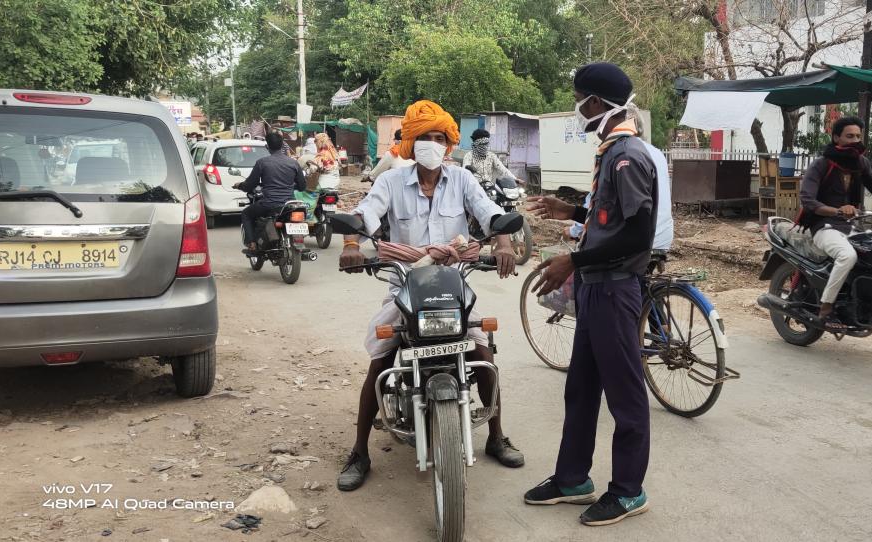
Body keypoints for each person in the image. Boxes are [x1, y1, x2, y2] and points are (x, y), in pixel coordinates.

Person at [336, 99, 524, 492]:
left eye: (439, 138)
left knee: (483, 353)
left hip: (453, 283)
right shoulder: (391, 182)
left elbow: (490, 212)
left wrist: (504, 242)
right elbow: (366, 213)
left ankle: (496, 436)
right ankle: (359, 451)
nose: (433, 144)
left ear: (449, 144)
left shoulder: (462, 179)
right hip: (405, 283)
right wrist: (352, 243)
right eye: (425, 137)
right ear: (411, 142)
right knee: (380, 359)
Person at [523, 62, 653, 527]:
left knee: (625, 397)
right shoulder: (612, 150)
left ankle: (628, 490)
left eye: (579, 99)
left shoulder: (628, 156)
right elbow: (610, 218)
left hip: (615, 289)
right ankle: (572, 478)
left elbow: (637, 235)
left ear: (595, 102)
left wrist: (573, 262)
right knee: (580, 389)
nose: (577, 107)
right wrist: (572, 209)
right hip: (596, 289)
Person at [798, 116, 872, 331]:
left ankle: (866, 302)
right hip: (824, 225)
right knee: (847, 256)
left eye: (858, 136)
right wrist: (837, 210)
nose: (855, 141)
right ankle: (826, 307)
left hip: (853, 225)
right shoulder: (821, 164)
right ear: (836, 138)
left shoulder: (860, 163)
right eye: (850, 136)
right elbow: (808, 200)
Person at [564, 112, 673, 257]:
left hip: (636, 245)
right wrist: (571, 211)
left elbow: (595, 204)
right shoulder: (656, 153)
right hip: (663, 238)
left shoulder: (621, 154)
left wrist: (574, 232)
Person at [232, 132, 306, 249]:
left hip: (269, 203)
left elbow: (250, 185)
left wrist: (239, 185)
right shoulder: (294, 163)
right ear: (282, 145)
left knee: (246, 214)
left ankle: (251, 243)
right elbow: (302, 186)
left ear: (267, 146)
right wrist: (290, 186)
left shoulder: (262, 163)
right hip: (289, 205)